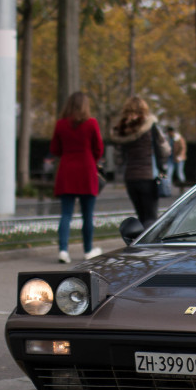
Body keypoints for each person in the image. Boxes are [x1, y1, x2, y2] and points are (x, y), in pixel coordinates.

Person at [50, 92, 104, 263]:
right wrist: (90, 159)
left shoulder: (61, 124)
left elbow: (55, 149)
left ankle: (63, 250)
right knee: (87, 214)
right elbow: (99, 148)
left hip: (67, 170)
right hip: (86, 170)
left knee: (66, 214)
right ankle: (88, 249)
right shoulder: (91, 123)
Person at [108, 96, 169, 226]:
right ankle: (148, 245)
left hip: (131, 177)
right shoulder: (151, 127)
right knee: (151, 216)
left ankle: (139, 240)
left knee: (140, 216)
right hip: (149, 176)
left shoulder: (122, 130)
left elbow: (117, 158)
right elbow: (165, 149)